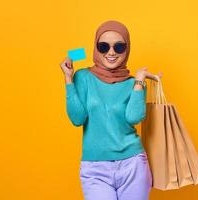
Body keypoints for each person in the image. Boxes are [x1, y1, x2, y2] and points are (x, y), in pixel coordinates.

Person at [60, 20, 162, 200]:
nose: (111, 52)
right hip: (95, 169)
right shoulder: (83, 77)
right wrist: (69, 80)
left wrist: (139, 81)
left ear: (127, 49)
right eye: (103, 46)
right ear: (96, 48)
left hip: (133, 165)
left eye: (119, 47)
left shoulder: (134, 83)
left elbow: (133, 117)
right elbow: (77, 119)